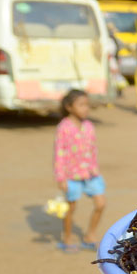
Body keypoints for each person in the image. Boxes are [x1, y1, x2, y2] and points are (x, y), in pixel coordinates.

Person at [53, 90, 106, 253]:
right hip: (71, 176)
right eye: (81, 105)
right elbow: (59, 153)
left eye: (87, 105)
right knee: (71, 208)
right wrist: (61, 178)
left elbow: (93, 149)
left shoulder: (89, 126)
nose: (85, 108)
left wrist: (95, 168)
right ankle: (67, 237)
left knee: (100, 204)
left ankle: (90, 235)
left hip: (91, 174)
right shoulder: (64, 127)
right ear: (69, 107)